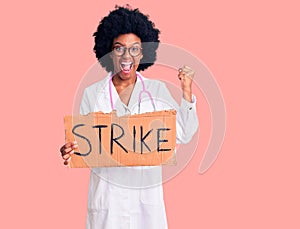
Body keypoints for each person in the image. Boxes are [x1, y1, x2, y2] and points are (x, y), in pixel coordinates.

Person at [60, 6, 198, 229]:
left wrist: (186, 90)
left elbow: (184, 134)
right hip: (108, 203)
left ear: (143, 53)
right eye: (119, 48)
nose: (127, 56)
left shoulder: (157, 91)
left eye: (134, 49)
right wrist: (70, 150)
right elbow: (86, 145)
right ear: (109, 52)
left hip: (146, 203)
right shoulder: (92, 94)